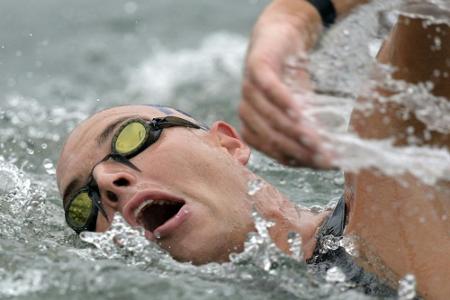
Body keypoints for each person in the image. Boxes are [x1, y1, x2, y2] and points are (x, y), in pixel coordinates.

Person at [56, 1, 449, 299]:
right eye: (83, 205)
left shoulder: (385, 206)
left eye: (131, 137)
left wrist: (294, 16)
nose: (107, 179)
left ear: (227, 144)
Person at [239, 0, 449, 299]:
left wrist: (294, 16)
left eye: (144, 131)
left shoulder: (381, 185)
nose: (143, 174)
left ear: (227, 143)